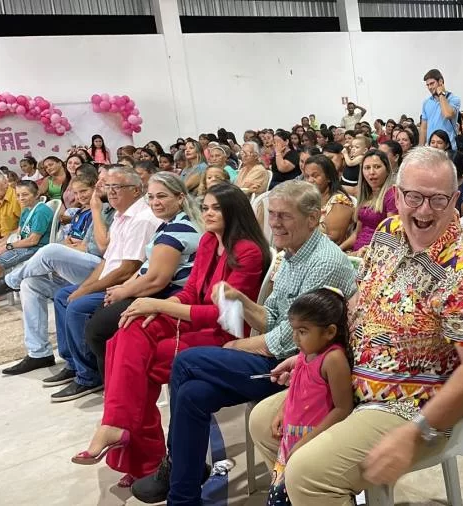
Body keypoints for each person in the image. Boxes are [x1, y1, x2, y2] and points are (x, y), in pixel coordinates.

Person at [245, 146, 463, 505]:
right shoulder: (388, 231)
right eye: (414, 197)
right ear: (397, 195)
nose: (424, 210)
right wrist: (315, 358)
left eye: (438, 199)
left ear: (455, 199)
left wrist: (416, 432)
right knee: (263, 422)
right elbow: (359, 306)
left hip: (412, 406)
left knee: (309, 472)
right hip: (354, 379)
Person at [128, 180, 357, 505]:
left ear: (312, 218)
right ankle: (183, 495)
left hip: (301, 371)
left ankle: (175, 471)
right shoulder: (292, 255)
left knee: (186, 361)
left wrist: (235, 347)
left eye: (284, 216)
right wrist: (240, 301)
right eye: (272, 214)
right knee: (192, 395)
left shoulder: (323, 262)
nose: (274, 222)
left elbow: (290, 340)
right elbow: (272, 318)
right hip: (282, 357)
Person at [72, 183, 269, 487]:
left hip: (224, 334)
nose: (208, 213)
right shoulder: (208, 241)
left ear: (234, 211)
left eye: (216, 208)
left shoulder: (247, 251)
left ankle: (142, 454)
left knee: (137, 363)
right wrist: (160, 308)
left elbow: (223, 315)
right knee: (127, 330)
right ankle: (118, 429)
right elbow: (190, 292)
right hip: (195, 321)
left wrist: (159, 305)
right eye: (205, 207)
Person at [48, 168, 164, 402]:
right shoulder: (120, 216)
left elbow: (127, 269)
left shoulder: (141, 219)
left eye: (116, 187)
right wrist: (84, 287)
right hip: (112, 278)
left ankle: (88, 376)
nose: (110, 192)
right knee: (63, 296)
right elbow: (106, 262)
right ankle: (75, 363)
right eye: (108, 187)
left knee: (77, 306)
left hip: (126, 284)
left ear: (135, 190)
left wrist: (85, 292)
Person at [80, 172, 204, 379]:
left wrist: (123, 292)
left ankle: (118, 382)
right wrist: (124, 288)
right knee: (98, 318)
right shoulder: (167, 223)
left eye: (162, 196)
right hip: (154, 289)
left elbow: (157, 280)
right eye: (151, 197)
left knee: (98, 329)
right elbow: (145, 267)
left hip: (169, 295)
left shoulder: (178, 228)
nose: (155, 202)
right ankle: (111, 380)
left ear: (180, 198)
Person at [0, 172, 114, 376]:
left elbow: (103, 249)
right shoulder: (92, 210)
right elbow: (84, 244)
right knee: (30, 284)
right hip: (85, 264)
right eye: (76, 192)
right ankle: (38, 353)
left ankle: (10, 281)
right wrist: (71, 246)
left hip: (103, 270)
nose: (81, 196)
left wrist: (93, 213)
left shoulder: (106, 210)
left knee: (49, 250)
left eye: (85, 191)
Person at [265, 288, 354, 506]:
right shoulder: (306, 353)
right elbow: (296, 388)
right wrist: (282, 411)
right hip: (291, 440)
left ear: (329, 332)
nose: (295, 337)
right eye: (294, 330)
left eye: (302, 331)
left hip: (314, 441)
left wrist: (307, 441)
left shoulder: (333, 359)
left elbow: (343, 409)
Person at [0, 180, 54, 318]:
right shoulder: (26, 210)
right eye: (18, 195)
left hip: (36, 248)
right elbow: (18, 232)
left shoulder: (41, 211)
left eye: (25, 194)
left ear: (36, 194)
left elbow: (33, 240)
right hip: (24, 245)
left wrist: (8, 247)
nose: (20, 198)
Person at [340, 149, 397, 255]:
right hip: (356, 253)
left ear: (388, 170)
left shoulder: (392, 195)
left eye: (377, 167)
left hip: (376, 255)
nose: (371, 172)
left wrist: (354, 254)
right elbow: (356, 234)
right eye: (367, 168)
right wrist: (339, 250)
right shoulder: (365, 195)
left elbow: (390, 238)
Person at [303, 155, 354, 245]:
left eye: (315, 176)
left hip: (329, 250)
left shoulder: (340, 201)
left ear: (329, 177)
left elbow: (335, 239)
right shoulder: (308, 199)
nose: (310, 180)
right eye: (307, 176)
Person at [419, 69, 461, 145]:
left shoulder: (453, 99)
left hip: (448, 146)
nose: (429, 87)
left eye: (432, 83)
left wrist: (441, 93)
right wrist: (420, 148)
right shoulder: (426, 102)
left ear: (440, 81)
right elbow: (423, 128)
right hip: (431, 147)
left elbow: (447, 114)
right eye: (427, 85)